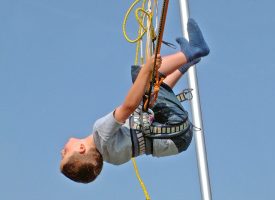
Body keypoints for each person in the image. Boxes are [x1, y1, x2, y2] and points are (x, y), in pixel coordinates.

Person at [60, 18, 210, 183]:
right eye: (65, 154)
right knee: (140, 75)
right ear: (81, 149)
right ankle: (192, 51)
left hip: (179, 139)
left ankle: (185, 61)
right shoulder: (100, 133)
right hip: (174, 129)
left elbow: (149, 104)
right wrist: (146, 70)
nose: (61, 151)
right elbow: (128, 107)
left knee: (148, 89)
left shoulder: (113, 158)